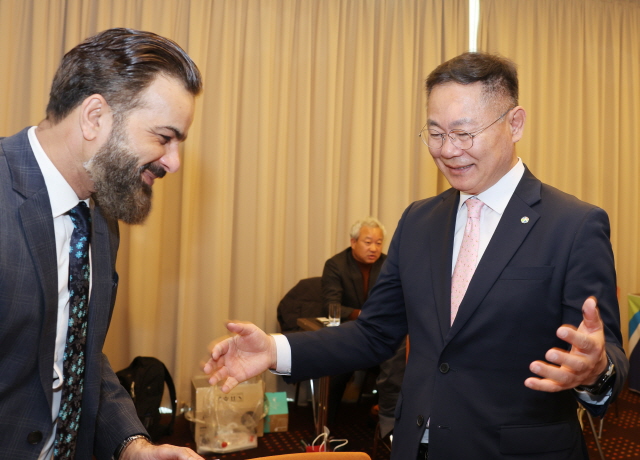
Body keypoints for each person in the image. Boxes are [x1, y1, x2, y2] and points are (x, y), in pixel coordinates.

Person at [205, 52, 629, 460]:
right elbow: (374, 333)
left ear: (514, 123)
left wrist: (596, 373)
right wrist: (273, 350)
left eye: (463, 133)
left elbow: (605, 353)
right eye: (436, 133)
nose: (447, 150)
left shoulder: (574, 224)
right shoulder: (420, 220)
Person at [0, 28, 204, 460]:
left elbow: (76, 351)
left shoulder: (100, 213)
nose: (173, 162)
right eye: (163, 137)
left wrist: (132, 445)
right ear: (94, 117)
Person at [321, 217, 393, 426]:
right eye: (368, 242)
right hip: (348, 335)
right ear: (353, 242)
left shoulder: (388, 265)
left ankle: (387, 422)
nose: (374, 248)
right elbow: (331, 307)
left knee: (399, 368)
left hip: (380, 336)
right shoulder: (336, 265)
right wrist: (364, 315)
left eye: (378, 243)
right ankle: (326, 428)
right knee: (337, 373)